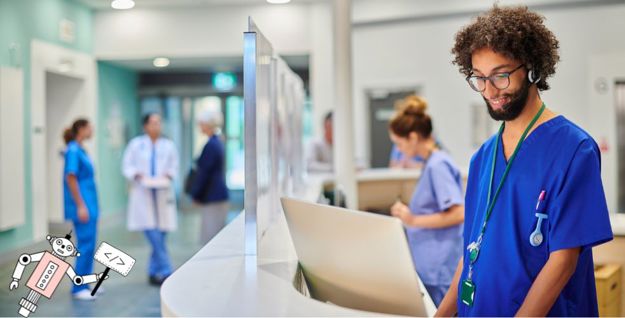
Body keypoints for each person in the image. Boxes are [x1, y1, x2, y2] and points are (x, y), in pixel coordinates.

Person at [436, 5, 613, 316]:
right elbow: (471, 251)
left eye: (501, 75)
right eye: (479, 78)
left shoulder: (574, 149)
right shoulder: (483, 158)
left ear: (532, 68)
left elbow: (563, 261)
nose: (489, 90)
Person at [387, 97, 464, 306]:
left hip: (440, 268)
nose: (399, 150)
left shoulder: (437, 165)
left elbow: (459, 213)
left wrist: (412, 219)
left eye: (399, 144)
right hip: (431, 265)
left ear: (412, 138)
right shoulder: (431, 163)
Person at [122, 113, 179, 286]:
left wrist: (169, 174)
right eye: (153, 123)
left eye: (159, 123)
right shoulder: (135, 145)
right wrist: (136, 175)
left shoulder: (168, 145)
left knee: (161, 234)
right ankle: (167, 270)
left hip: (162, 193)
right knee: (153, 234)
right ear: (145, 126)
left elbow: (174, 165)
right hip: (143, 192)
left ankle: (153, 271)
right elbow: (127, 166)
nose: (156, 126)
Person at [62, 118, 100, 300]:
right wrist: (80, 205)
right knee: (85, 244)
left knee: (90, 243)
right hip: (82, 204)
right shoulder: (73, 150)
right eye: (90, 128)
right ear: (82, 129)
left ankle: (85, 282)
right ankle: (78, 288)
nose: (92, 131)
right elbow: (71, 177)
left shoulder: (80, 149)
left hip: (89, 202)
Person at [188, 110, 230, 245]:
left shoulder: (211, 145)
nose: (199, 127)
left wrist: (196, 195)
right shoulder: (216, 142)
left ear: (208, 125)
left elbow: (204, 173)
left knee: (211, 238)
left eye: (201, 124)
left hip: (213, 196)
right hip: (216, 195)